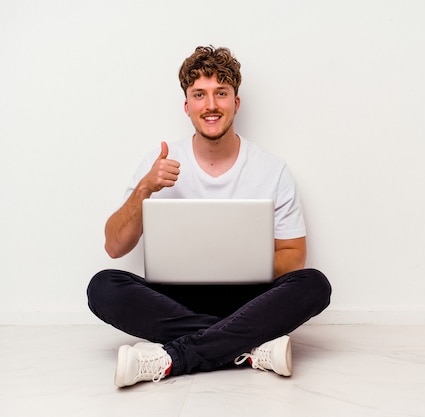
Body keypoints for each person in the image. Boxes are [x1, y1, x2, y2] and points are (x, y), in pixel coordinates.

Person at [87, 46, 332, 388]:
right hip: (174, 298)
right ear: (187, 106)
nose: (211, 104)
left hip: (249, 299)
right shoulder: (158, 163)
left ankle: (171, 357)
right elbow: (114, 246)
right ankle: (249, 348)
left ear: (236, 102)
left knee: (314, 285)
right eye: (199, 94)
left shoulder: (272, 170)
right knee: (103, 287)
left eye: (221, 93)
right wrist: (145, 188)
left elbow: (294, 255)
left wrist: (244, 266)